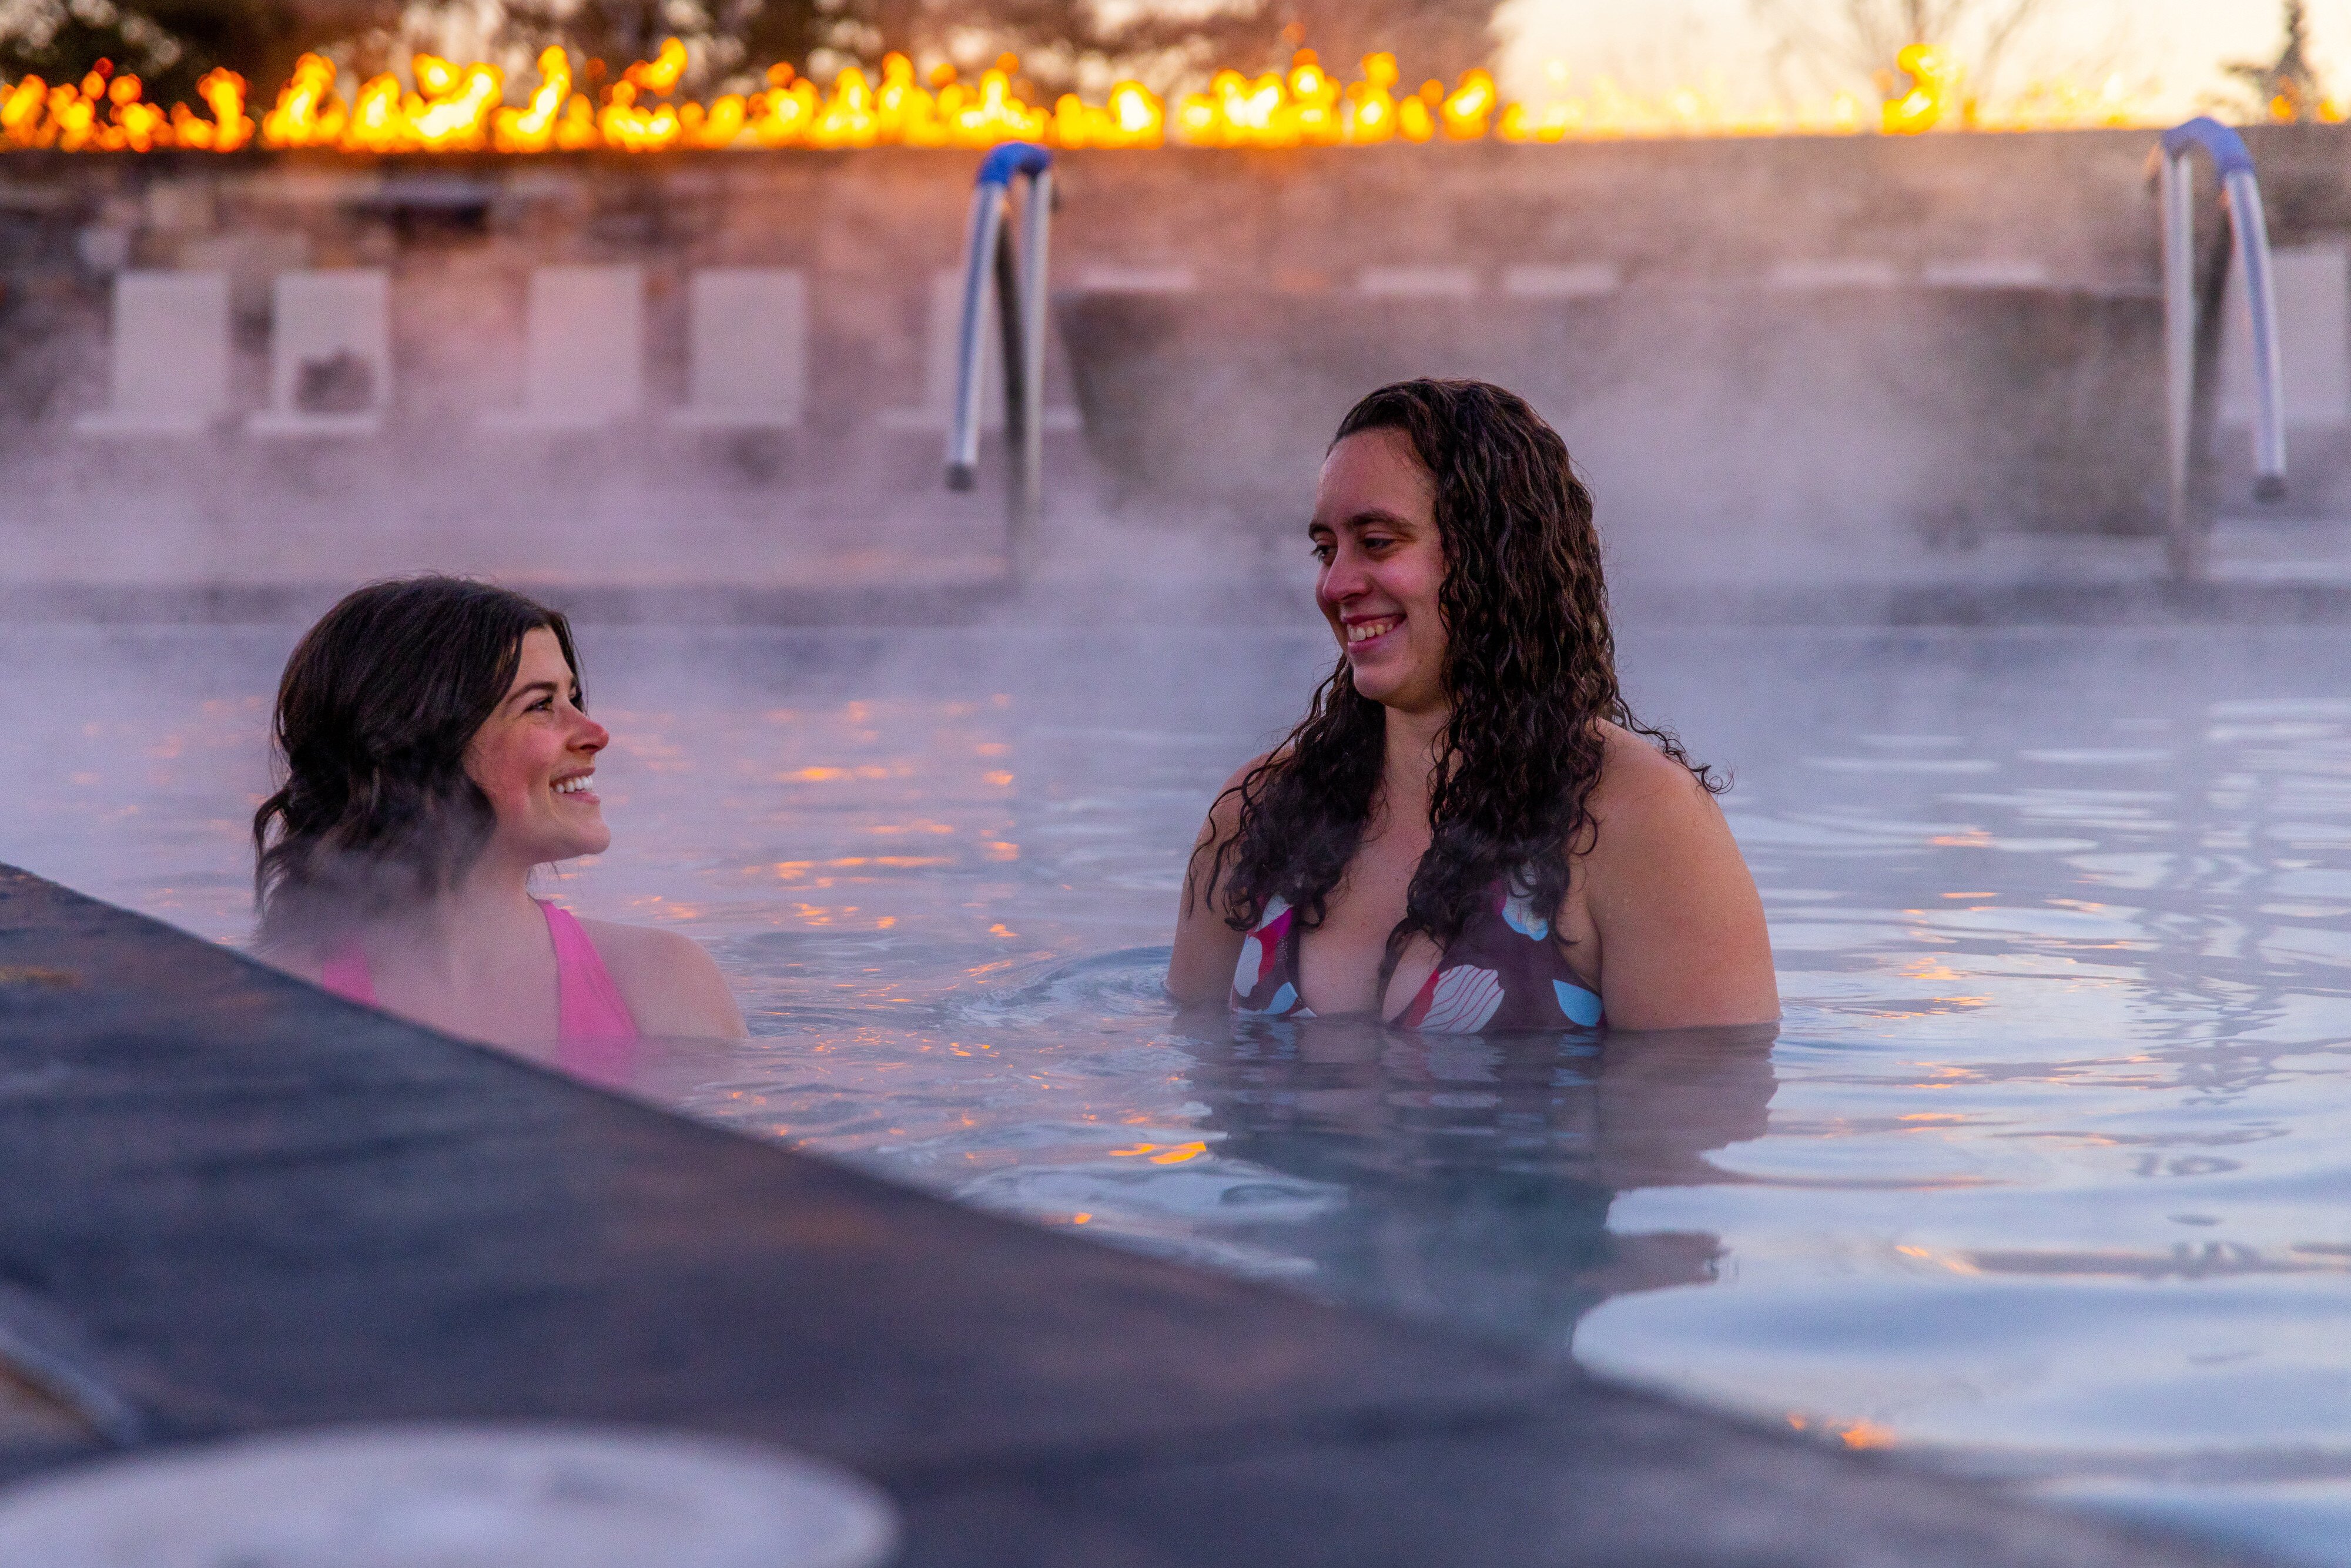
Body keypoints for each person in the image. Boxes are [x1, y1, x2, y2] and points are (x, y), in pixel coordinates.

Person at [1169, 379, 1777, 1033]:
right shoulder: (1257, 816)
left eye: (1376, 542)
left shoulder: (1640, 822)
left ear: (1491, 556)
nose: (1335, 583)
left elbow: (1703, 1099)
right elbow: (1188, 1057)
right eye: (1326, 548)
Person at [253, 576, 746, 1054]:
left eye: (572, 697)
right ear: (424, 747)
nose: (595, 733)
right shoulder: (278, 1012)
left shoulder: (665, 987)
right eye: (540, 705)